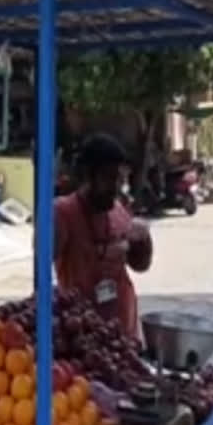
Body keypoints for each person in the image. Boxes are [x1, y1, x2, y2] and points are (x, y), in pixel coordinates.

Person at [53, 133, 153, 338]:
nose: (115, 187)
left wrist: (144, 240)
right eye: (108, 178)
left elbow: (140, 265)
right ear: (88, 175)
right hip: (83, 337)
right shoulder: (62, 212)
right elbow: (43, 258)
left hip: (125, 334)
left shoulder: (119, 210)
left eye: (119, 179)